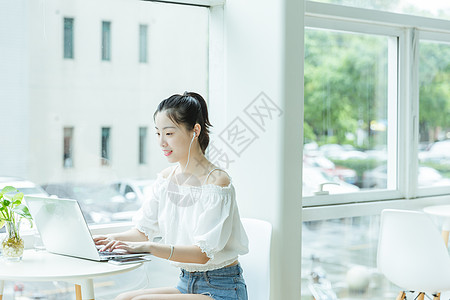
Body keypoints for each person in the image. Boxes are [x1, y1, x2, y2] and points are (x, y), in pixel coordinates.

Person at [94, 92, 249, 300]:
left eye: (169, 134)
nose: (161, 143)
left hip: (222, 288)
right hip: (186, 284)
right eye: (158, 134)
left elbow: (202, 254)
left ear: (195, 130)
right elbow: (142, 232)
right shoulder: (166, 179)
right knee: (123, 298)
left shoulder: (217, 182)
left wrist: (148, 248)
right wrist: (109, 240)